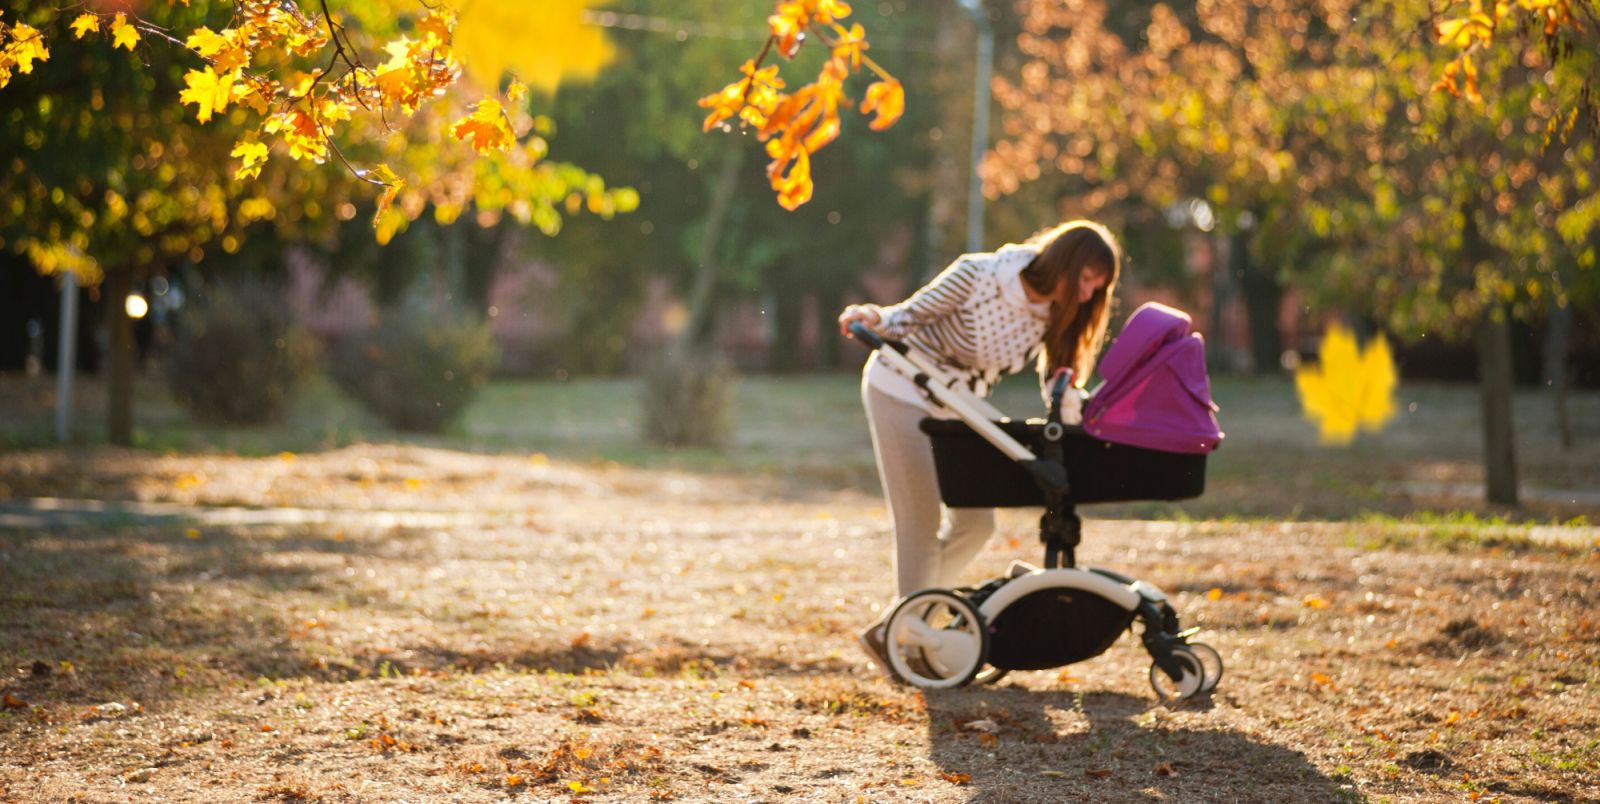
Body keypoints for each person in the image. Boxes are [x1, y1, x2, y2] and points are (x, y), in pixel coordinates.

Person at [837, 219, 1124, 677]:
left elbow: (1060, 380)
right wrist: (872, 317)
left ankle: (899, 625)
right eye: (1088, 279)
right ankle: (906, 644)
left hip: (958, 403)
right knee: (920, 522)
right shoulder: (981, 275)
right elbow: (907, 315)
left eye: (1099, 287)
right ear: (1065, 263)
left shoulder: (1056, 312)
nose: (1090, 294)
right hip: (901, 387)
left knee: (976, 522)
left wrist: (1080, 418)